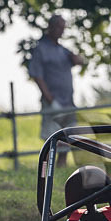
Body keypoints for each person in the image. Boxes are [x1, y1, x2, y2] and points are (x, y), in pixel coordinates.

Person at [29, 14, 85, 167]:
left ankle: (61, 167)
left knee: (68, 136)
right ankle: (46, 170)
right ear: (50, 27)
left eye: (63, 28)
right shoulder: (40, 50)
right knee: (52, 138)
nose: (61, 31)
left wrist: (77, 59)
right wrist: (50, 99)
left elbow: (80, 61)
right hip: (53, 101)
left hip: (68, 101)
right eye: (59, 27)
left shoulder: (63, 50)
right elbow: (37, 76)